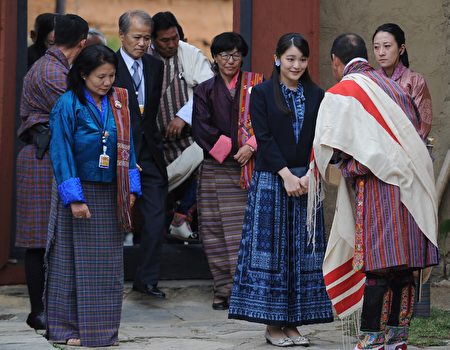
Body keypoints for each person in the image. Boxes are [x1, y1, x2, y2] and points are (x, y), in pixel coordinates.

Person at [312, 33, 439, 350]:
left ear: (336, 61)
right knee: (405, 265)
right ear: (366, 56)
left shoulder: (343, 92)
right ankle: (398, 339)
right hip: (411, 190)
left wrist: (345, 168)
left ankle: (371, 340)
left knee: (379, 267)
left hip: (378, 191)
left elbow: (335, 150)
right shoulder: (396, 87)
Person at [228, 33, 334, 347]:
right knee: (272, 254)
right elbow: (264, 137)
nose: (296, 65)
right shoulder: (260, 93)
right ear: (277, 59)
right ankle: (272, 325)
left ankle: (293, 323)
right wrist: (286, 175)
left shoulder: (317, 94)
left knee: (304, 253)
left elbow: (321, 139)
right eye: (290, 58)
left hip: (307, 182)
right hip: (272, 182)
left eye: (302, 59)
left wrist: (309, 175)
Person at [46, 44, 141, 347]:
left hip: (111, 191)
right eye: (101, 76)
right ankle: (67, 329)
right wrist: (74, 198)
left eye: (111, 76)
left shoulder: (118, 102)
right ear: (84, 74)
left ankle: (102, 332)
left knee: (107, 266)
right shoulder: (67, 104)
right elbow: (60, 152)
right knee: (69, 261)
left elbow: (129, 148)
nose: (107, 82)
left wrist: (131, 188)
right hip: (78, 190)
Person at [15, 13, 88, 330]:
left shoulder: (59, 67)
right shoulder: (50, 73)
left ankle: (51, 307)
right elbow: (80, 115)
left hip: (53, 156)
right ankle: (38, 310)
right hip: (43, 158)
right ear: (83, 43)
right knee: (39, 238)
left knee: (55, 237)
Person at [192, 32, 262, 311]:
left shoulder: (257, 86)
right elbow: (200, 128)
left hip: (250, 166)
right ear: (215, 58)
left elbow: (267, 120)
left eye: (235, 55)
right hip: (217, 167)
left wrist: (251, 146)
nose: (229, 61)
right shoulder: (204, 90)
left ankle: (246, 288)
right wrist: (233, 148)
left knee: (245, 230)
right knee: (215, 230)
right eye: (223, 55)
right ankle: (223, 288)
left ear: (242, 56)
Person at [114, 10, 167, 298]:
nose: (142, 43)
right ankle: (108, 278)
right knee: (113, 219)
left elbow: (151, 113)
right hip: (119, 152)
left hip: (149, 152)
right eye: (137, 37)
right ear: (121, 35)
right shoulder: (108, 64)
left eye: (147, 38)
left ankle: (147, 280)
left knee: (157, 218)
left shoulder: (154, 66)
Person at [149, 11, 213, 240]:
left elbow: (209, 90)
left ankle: (182, 217)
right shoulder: (144, 57)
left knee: (207, 164)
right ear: (154, 41)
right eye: (164, 41)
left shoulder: (190, 54)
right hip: (155, 144)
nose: (171, 44)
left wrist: (183, 116)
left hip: (189, 139)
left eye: (175, 38)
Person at [373, 23, 432, 139]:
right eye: (376, 47)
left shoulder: (415, 81)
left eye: (387, 46)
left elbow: (423, 126)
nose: (381, 52)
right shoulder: (371, 80)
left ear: (401, 49)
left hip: (409, 150)